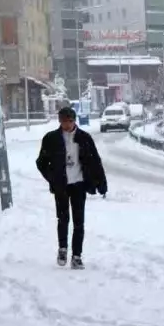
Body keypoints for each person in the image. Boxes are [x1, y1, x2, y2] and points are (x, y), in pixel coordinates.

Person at [36, 106, 107, 269]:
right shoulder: (51, 138)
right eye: (62, 121)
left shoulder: (84, 138)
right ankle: (62, 248)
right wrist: (52, 178)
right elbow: (41, 163)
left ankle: (76, 256)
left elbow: (95, 161)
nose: (66, 125)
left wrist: (101, 183)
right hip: (61, 185)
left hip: (79, 184)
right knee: (63, 219)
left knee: (79, 221)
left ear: (74, 121)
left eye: (68, 121)